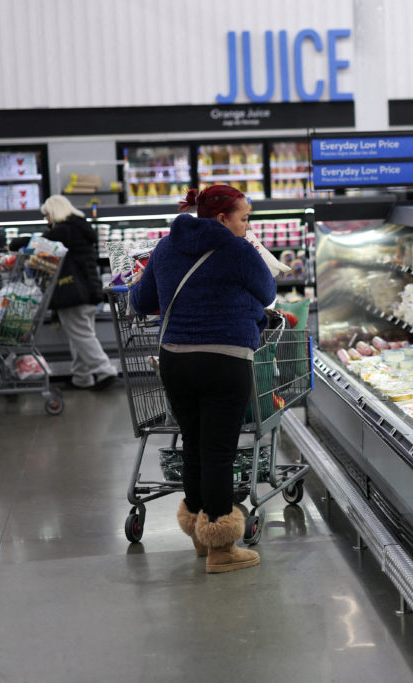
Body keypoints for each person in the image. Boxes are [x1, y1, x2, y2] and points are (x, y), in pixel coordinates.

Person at [130, 185, 275, 573]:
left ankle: (199, 535)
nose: (247, 226)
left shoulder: (164, 248)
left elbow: (143, 301)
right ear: (223, 219)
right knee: (219, 452)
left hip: (175, 360)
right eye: (244, 218)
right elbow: (267, 291)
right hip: (224, 360)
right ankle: (223, 549)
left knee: (193, 444)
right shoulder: (239, 250)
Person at [37, 195, 118, 390]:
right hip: (89, 291)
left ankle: (105, 370)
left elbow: (37, 244)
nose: (46, 220)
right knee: (80, 334)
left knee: (81, 335)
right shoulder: (79, 227)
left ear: (54, 211)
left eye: (47, 215)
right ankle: (82, 378)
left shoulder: (63, 230)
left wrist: (15, 244)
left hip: (72, 292)